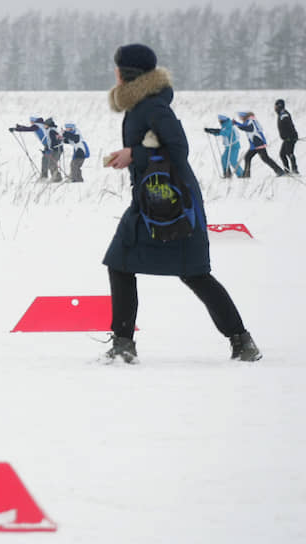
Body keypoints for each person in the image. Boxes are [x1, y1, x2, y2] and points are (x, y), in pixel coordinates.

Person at [102, 43, 261, 363]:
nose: (114, 72)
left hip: (174, 202)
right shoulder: (141, 104)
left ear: (127, 72)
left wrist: (135, 154)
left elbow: (178, 148)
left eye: (117, 67)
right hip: (150, 201)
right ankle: (122, 344)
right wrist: (132, 157)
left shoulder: (152, 107)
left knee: (194, 273)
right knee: (120, 262)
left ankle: (242, 342)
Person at [9, 117, 63, 181]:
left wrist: (16, 129)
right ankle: (48, 176)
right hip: (49, 145)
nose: (31, 122)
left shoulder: (37, 125)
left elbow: (29, 129)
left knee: (47, 161)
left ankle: (48, 177)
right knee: (46, 160)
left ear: (34, 121)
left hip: (50, 146)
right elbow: (29, 128)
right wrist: (20, 127)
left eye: (31, 121)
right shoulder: (41, 125)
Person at [234, 111, 285, 177]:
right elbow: (244, 126)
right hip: (255, 144)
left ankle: (280, 172)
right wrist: (236, 123)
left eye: (240, 116)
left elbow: (247, 128)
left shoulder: (250, 121)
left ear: (243, 116)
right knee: (248, 157)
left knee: (265, 158)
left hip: (258, 142)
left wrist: (236, 123)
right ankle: (246, 174)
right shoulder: (249, 121)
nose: (239, 118)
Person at [275, 99, 299, 175]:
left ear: (279, 106)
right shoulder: (281, 113)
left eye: (275, 106)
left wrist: (291, 136)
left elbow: (289, 126)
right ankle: (287, 170)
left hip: (290, 138)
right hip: (287, 138)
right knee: (283, 154)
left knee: (289, 153)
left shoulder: (284, 114)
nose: (274, 108)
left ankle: (294, 170)